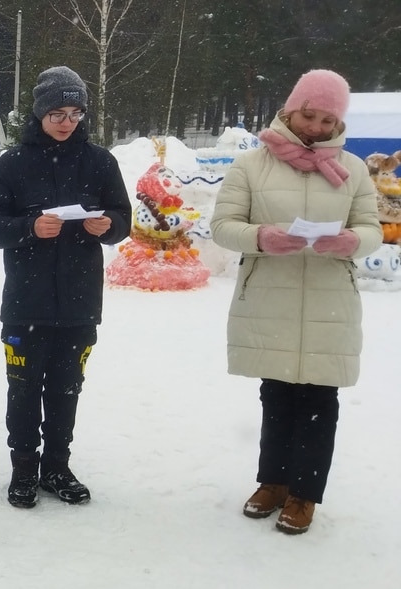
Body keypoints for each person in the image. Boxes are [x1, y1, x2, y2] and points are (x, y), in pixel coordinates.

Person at [210, 69, 382, 535]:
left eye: (329, 120)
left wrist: (351, 241)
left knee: (320, 399)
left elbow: (373, 229)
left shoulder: (354, 169)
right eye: (310, 115)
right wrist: (261, 236)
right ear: (290, 109)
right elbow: (224, 225)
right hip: (271, 296)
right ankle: (273, 482)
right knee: (278, 395)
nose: (318, 127)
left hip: (330, 300)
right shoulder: (252, 165)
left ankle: (304, 495)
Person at [0, 66, 131, 509]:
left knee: (66, 389)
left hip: (80, 303)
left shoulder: (100, 161)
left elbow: (123, 218)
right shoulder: (13, 163)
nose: (66, 122)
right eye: (57, 113)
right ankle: (24, 468)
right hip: (26, 302)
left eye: (75, 113)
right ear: (40, 113)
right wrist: (29, 227)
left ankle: (57, 467)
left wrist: (109, 225)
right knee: (24, 388)